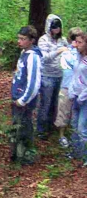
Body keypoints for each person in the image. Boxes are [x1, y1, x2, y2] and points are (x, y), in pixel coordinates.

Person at [10, 26, 42, 165]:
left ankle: (26, 157)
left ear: (31, 40)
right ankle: (17, 155)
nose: (19, 41)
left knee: (24, 128)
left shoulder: (33, 57)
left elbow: (34, 83)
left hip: (25, 101)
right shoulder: (24, 53)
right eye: (19, 38)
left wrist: (23, 100)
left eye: (23, 39)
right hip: (17, 98)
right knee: (17, 127)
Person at [36, 14, 68, 140]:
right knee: (45, 103)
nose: (57, 29)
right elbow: (44, 58)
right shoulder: (43, 40)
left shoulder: (63, 40)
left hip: (60, 75)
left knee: (56, 104)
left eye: (59, 26)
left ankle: (51, 127)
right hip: (47, 76)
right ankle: (41, 130)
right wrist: (58, 51)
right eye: (54, 26)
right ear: (49, 26)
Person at [54, 27, 83, 148]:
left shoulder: (83, 53)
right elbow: (68, 65)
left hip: (80, 89)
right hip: (66, 86)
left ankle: (76, 137)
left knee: (78, 114)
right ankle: (61, 136)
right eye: (75, 38)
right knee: (63, 112)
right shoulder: (66, 53)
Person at [68, 31, 87, 165]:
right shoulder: (77, 57)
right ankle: (76, 152)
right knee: (74, 126)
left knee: (82, 128)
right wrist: (71, 92)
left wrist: (82, 96)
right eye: (77, 42)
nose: (77, 44)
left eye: (80, 42)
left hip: (84, 99)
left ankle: (85, 155)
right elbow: (74, 76)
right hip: (75, 96)